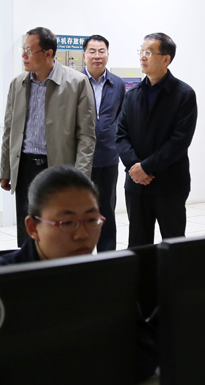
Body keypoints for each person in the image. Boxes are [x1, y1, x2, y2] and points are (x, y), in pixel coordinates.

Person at [0, 165, 157, 383]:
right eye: (67, 223)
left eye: (92, 220)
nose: (82, 235)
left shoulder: (108, 275)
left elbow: (144, 355)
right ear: (33, 228)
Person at [0, 27, 96, 247]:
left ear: (48, 54)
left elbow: (87, 137)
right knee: (28, 232)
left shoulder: (77, 83)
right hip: (24, 168)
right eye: (23, 50)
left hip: (58, 168)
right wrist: (6, 169)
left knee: (59, 231)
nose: (24, 55)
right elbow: (9, 130)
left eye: (29, 51)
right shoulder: (18, 83)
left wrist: (79, 178)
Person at [117, 33, 198, 247]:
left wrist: (146, 167)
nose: (142, 57)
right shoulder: (132, 94)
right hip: (136, 184)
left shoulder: (184, 94)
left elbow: (179, 141)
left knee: (173, 244)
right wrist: (134, 167)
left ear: (166, 59)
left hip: (169, 183)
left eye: (149, 52)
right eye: (141, 51)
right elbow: (121, 134)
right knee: (138, 244)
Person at [81, 34, 126, 252]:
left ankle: (108, 258)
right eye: (92, 51)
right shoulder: (74, 82)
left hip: (108, 158)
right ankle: (82, 255)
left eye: (101, 52)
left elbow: (122, 119)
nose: (97, 56)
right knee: (81, 211)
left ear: (108, 54)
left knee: (106, 209)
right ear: (84, 55)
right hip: (81, 159)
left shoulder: (118, 84)